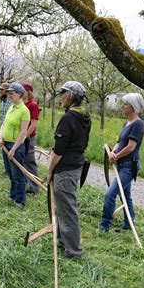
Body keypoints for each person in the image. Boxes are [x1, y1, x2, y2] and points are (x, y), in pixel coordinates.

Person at [47, 81, 91, 259]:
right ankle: (62, 239)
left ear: (72, 96)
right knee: (61, 207)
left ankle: (74, 251)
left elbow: (59, 150)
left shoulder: (68, 118)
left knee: (67, 210)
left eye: (63, 93)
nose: (61, 96)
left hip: (65, 169)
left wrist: (50, 170)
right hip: (76, 164)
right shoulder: (84, 115)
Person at [99, 93, 144, 232]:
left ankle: (104, 225)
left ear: (133, 107)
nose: (123, 106)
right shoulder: (127, 123)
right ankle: (129, 223)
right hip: (121, 164)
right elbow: (121, 142)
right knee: (125, 196)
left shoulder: (138, 124)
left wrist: (116, 156)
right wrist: (113, 151)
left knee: (110, 194)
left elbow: (131, 146)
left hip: (129, 166)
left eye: (125, 104)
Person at [0, 83, 30, 209]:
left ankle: (20, 201)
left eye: (12, 93)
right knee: (10, 173)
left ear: (20, 94)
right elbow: (4, 124)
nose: (9, 95)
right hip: (5, 143)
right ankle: (13, 194)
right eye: (8, 93)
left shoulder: (24, 111)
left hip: (16, 146)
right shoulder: (11, 107)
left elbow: (23, 132)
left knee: (18, 175)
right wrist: (0, 137)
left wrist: (14, 149)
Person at [21, 81, 40, 195]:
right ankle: (25, 182)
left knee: (29, 161)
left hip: (28, 137)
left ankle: (34, 187)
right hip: (21, 136)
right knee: (22, 160)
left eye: (22, 90)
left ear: (28, 92)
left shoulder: (33, 105)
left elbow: (34, 123)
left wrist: (25, 136)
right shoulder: (22, 103)